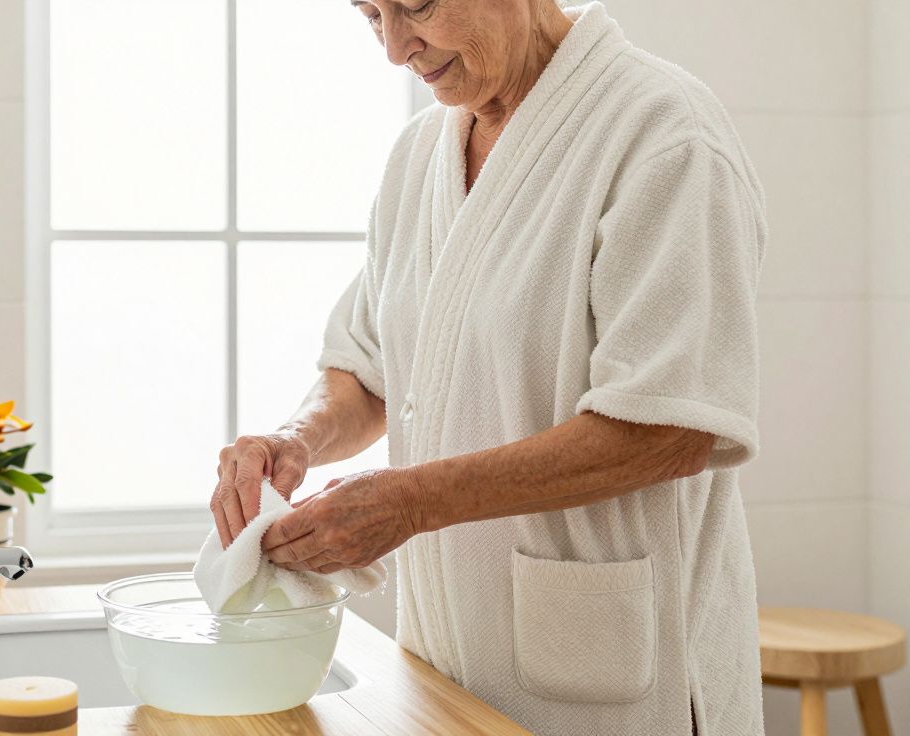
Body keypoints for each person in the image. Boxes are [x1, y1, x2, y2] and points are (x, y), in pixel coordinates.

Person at [209, 1, 767, 733]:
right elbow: (370, 368)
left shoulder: (664, 135)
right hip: (446, 668)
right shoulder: (419, 156)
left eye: (417, 5)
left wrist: (411, 502)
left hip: (616, 676)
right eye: (370, 14)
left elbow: (670, 429)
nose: (394, 48)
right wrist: (296, 439)